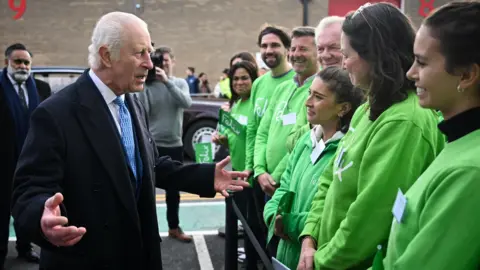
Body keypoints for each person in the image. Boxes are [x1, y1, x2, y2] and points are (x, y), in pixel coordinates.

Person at [10, 11, 248, 270]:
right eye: (139, 53)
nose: (149, 63)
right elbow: (28, 191)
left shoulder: (132, 103)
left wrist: (205, 177)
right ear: (106, 55)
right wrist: (42, 219)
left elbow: (151, 166)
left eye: (151, 52)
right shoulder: (55, 114)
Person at [297, 3, 445, 269]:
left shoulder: (404, 121)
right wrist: (310, 236)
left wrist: (320, 261)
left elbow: (370, 218)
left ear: (375, 57)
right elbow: (331, 178)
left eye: (347, 54)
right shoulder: (366, 108)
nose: (342, 63)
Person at [382, 2, 480, 269]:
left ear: (467, 75)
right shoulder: (458, 140)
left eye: (422, 62)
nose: (410, 73)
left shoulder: (470, 171)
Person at [264, 66, 364, 269]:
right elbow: (283, 187)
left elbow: (333, 214)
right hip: (287, 253)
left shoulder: (346, 152)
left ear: (343, 108)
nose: (307, 102)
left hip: (313, 258)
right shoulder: (305, 140)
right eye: (309, 93)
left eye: (318, 97)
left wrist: (289, 223)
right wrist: (273, 215)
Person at [136, 46, 193, 243]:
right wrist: (146, 82)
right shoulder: (149, 86)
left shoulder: (179, 83)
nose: (163, 64)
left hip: (175, 144)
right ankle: (148, 231)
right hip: (152, 144)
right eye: (159, 61)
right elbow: (143, 111)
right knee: (147, 191)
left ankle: (174, 227)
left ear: (173, 62)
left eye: (166, 61)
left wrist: (167, 82)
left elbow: (186, 103)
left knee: (173, 191)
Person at [212, 61, 258, 268]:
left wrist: (249, 169)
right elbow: (233, 137)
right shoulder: (236, 104)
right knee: (233, 224)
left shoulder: (256, 104)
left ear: (253, 79)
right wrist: (221, 139)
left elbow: (254, 138)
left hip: (250, 175)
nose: (240, 83)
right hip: (234, 174)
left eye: (244, 78)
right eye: (236, 79)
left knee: (251, 230)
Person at [0, 43, 41, 268]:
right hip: (4, 162)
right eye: (18, 61)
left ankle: (25, 247)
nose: (23, 66)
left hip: (30, 163)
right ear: (7, 62)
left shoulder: (40, 88)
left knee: (27, 207)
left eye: (26, 62)